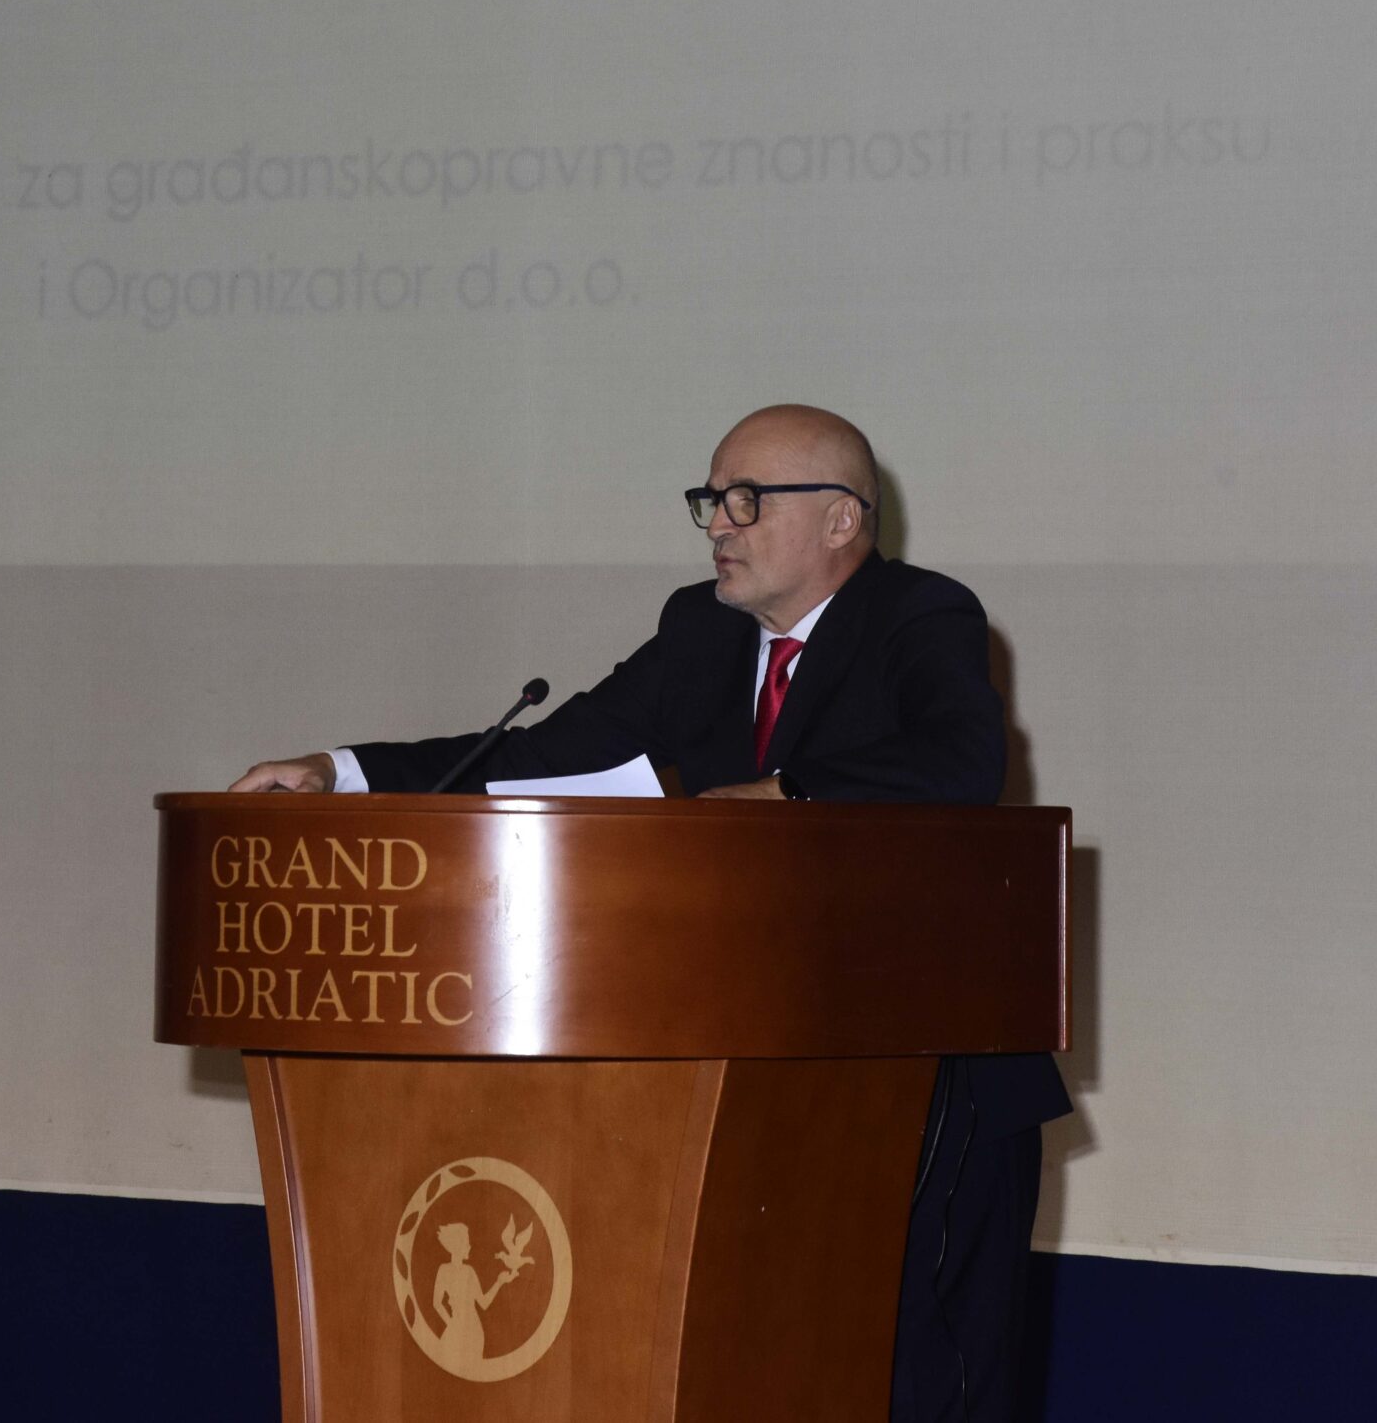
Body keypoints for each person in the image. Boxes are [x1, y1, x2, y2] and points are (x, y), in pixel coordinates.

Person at [232, 403, 1067, 1423]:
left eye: (747, 500)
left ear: (842, 518)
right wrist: (342, 773)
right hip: (760, 1079)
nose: (719, 523)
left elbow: (960, 761)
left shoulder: (920, 614)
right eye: (710, 500)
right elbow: (543, 755)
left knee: (923, 1374)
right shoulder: (699, 633)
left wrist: (787, 792)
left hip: (931, 1070)